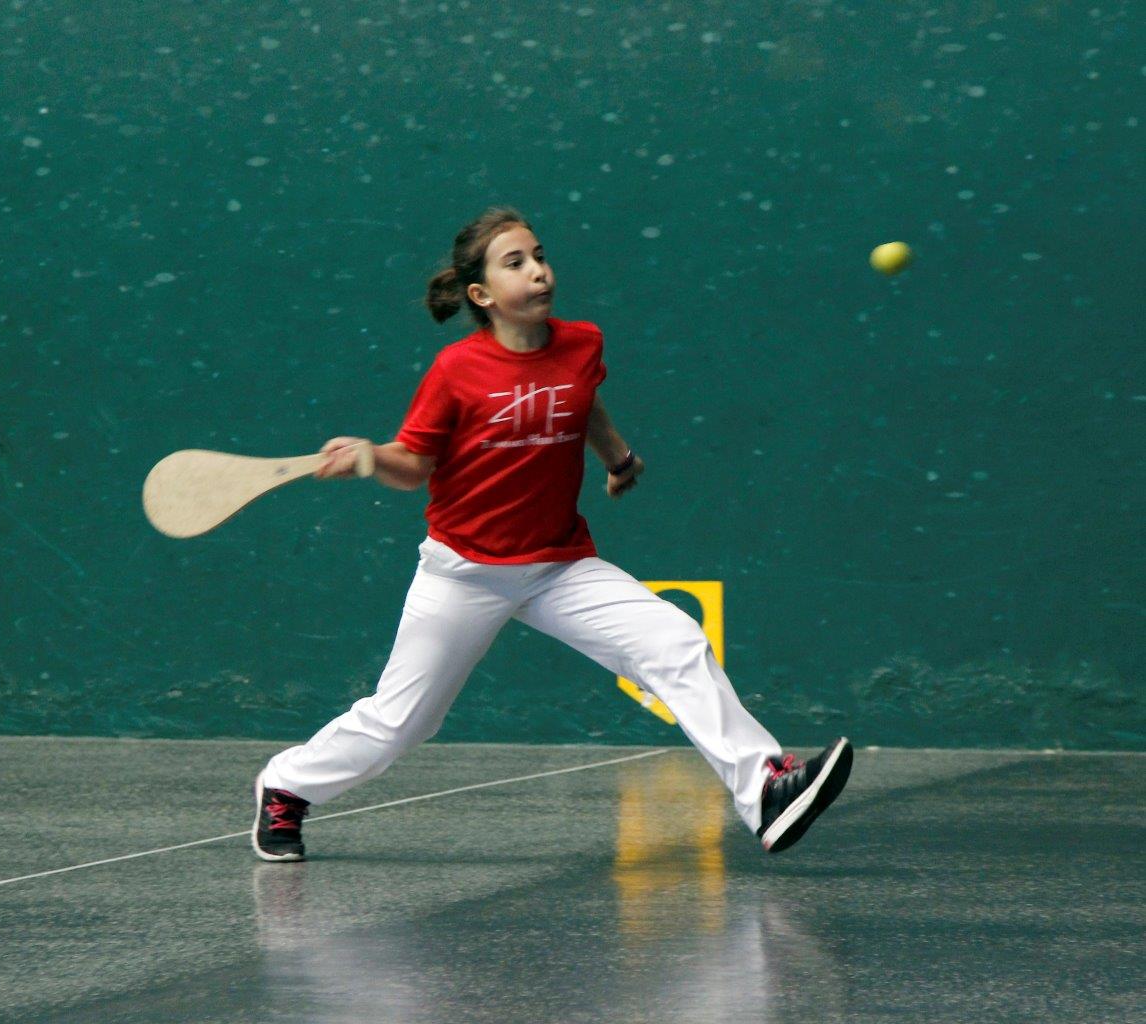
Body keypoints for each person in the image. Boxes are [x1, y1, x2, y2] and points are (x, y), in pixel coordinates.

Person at [252, 206, 852, 862]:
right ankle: (287, 786)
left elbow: (580, 401)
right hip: (465, 571)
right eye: (515, 263)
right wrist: (370, 457)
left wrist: (617, 457)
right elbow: (415, 464)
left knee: (674, 641)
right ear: (481, 294)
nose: (538, 271)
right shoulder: (457, 370)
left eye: (539, 256)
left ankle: (764, 790)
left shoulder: (581, 343)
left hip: (559, 565)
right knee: (403, 722)